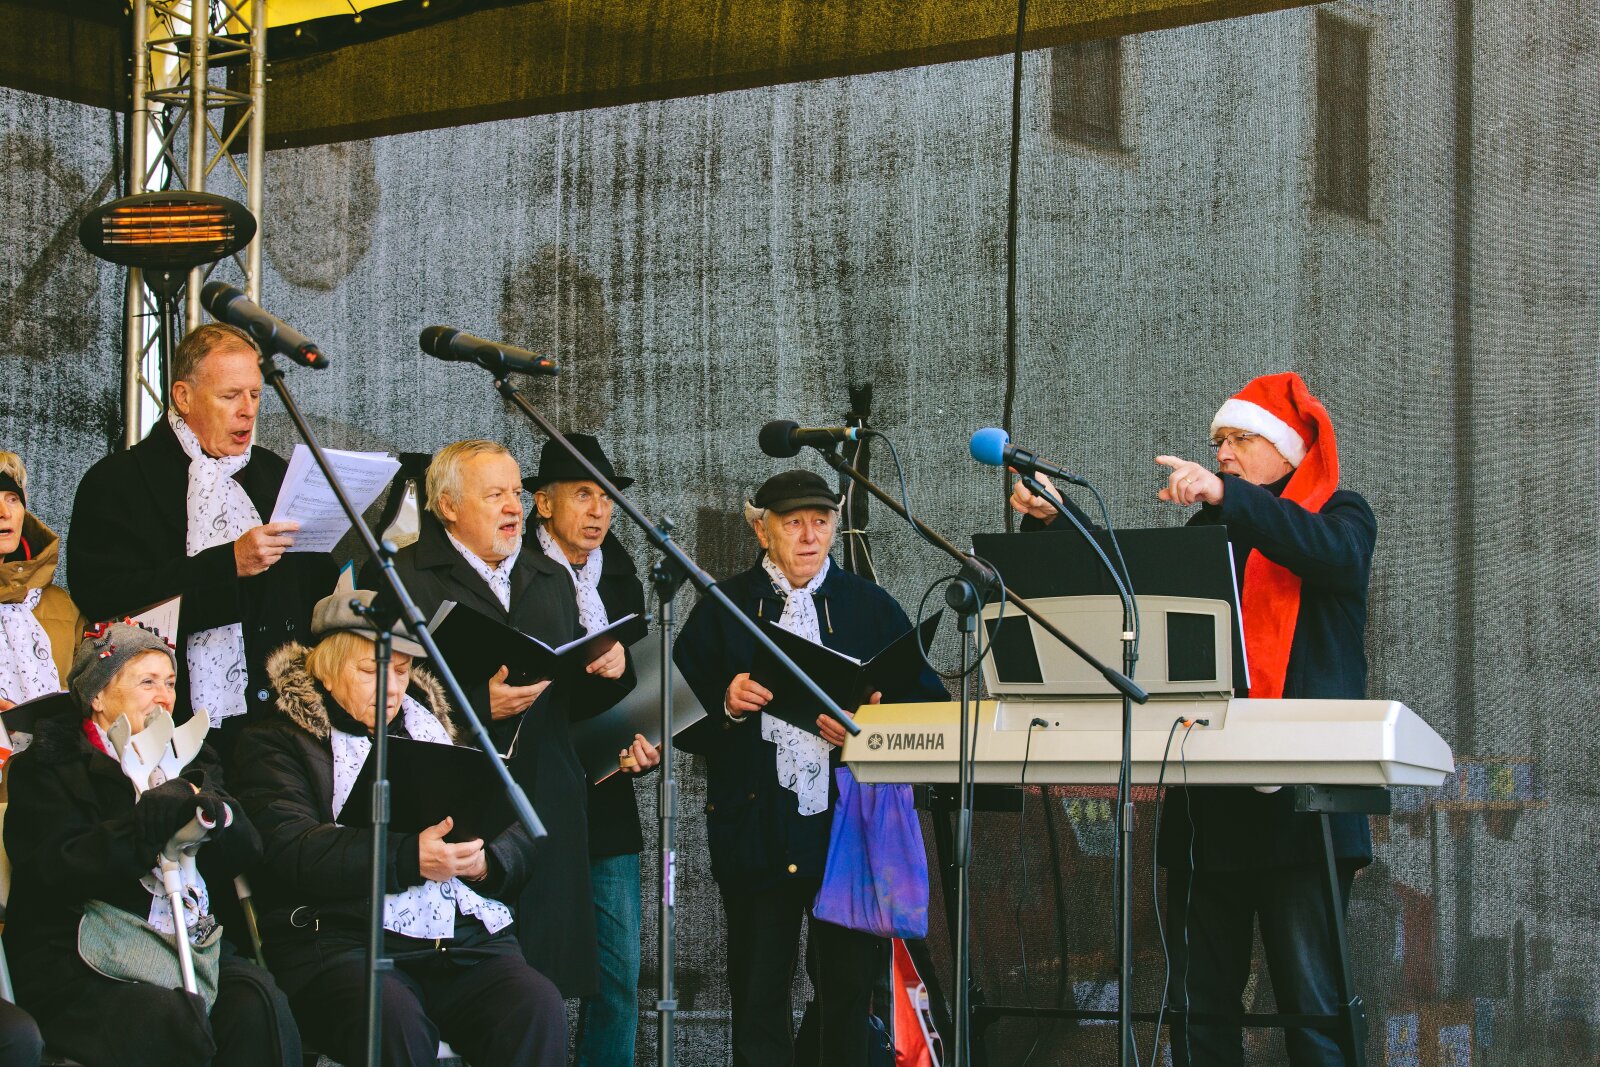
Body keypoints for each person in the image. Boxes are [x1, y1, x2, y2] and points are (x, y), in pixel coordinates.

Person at [1011, 371, 1376, 1067]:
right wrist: (1060, 518)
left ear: (1287, 449)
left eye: (1239, 439)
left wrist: (1228, 497)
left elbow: (1330, 554)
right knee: (1199, 1012)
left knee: (1314, 1011)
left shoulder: (1342, 513)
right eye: (1218, 443)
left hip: (1306, 812)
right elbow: (1131, 589)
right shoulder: (1212, 528)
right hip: (1211, 806)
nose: (1223, 453)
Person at [230, 580, 567, 1067]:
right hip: (344, 942)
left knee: (535, 1007)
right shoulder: (277, 742)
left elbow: (514, 830)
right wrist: (410, 857)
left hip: (458, 941)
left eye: (403, 670)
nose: (392, 687)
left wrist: (482, 862)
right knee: (391, 1020)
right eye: (372, 670)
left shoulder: (435, 727)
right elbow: (291, 848)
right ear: (326, 671)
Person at [673, 469, 947, 1067]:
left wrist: (869, 728)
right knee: (757, 992)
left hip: (845, 833)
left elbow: (928, 708)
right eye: (793, 522)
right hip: (755, 826)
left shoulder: (870, 606)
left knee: (849, 993)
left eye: (820, 522)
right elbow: (676, 719)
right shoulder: (723, 607)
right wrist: (726, 704)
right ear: (761, 530)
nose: (808, 536)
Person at [361, 439, 632, 999]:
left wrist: (609, 669)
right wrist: (476, 705)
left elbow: (564, 701)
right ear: (448, 506)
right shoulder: (402, 575)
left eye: (515, 493)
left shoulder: (551, 576)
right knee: (468, 991)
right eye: (494, 496)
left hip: (546, 804)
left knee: (545, 990)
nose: (513, 507)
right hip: (462, 813)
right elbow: (370, 699)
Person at [2, 621, 300, 1067]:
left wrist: (215, 814)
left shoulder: (190, 759)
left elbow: (244, 853)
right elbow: (56, 868)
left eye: (170, 683)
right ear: (97, 696)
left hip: (185, 946)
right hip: (79, 957)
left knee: (256, 1002)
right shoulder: (49, 765)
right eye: (147, 682)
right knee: (169, 1020)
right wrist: (146, 823)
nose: (164, 697)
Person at [66, 323, 335, 760]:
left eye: (255, 395)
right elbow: (103, 598)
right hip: (172, 726)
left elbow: (314, 585)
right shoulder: (117, 482)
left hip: (281, 723)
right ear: (183, 396)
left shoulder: (276, 474)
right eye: (230, 396)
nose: (247, 410)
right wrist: (227, 564)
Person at [525, 433, 660, 1067]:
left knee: (619, 974)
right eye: (583, 494)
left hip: (607, 791)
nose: (599, 510)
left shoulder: (622, 571)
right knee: (532, 975)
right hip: (534, 795)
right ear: (543, 503)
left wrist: (640, 727)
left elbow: (642, 678)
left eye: (605, 497)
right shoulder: (513, 568)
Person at [0, 451, 85, 716]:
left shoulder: (62, 605)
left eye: (12, 499)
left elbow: (96, 696)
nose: (4, 512)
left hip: (51, 742)